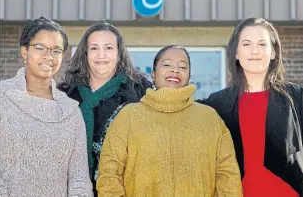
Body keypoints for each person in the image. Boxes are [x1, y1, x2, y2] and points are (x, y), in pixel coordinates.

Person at [96, 45, 242, 197]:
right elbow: (109, 173)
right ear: (153, 74)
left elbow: (227, 175)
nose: (175, 70)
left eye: (182, 66)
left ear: (189, 76)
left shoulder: (210, 118)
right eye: (167, 64)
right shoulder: (129, 116)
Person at [197, 18, 303, 197]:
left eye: (262, 44)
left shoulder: (295, 97)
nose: (255, 51)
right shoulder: (217, 103)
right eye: (247, 44)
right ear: (236, 53)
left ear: (273, 52)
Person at [0, 17, 93, 197]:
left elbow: (79, 179)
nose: (48, 56)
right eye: (40, 48)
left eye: (56, 50)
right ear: (24, 51)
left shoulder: (71, 111)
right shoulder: (1, 97)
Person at [57, 22, 152, 194]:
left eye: (108, 48)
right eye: (94, 48)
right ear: (86, 53)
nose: (101, 55)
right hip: (74, 188)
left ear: (119, 52)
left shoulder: (140, 90)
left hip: (126, 187)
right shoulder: (65, 93)